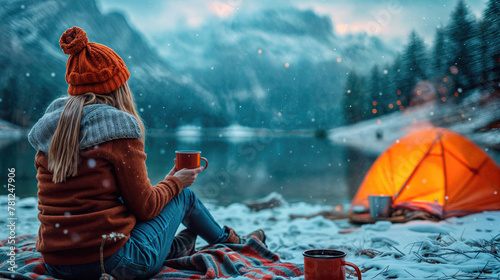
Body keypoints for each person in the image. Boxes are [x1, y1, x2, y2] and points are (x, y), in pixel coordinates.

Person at [28, 26, 265, 280]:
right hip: (109, 264)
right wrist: (176, 183)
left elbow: (94, 198)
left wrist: (168, 182)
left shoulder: (54, 129)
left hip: (57, 263)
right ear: (117, 86)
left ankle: (177, 246)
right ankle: (231, 241)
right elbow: (145, 209)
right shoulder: (118, 129)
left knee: (158, 201)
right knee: (185, 197)